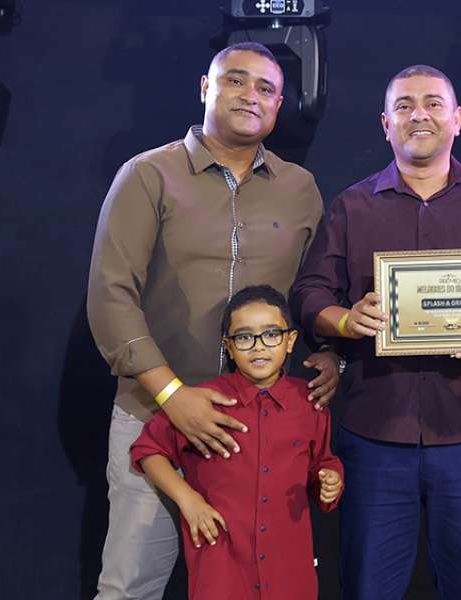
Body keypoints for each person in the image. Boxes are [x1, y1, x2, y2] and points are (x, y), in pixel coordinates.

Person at [87, 42, 340, 600]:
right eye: (236, 80)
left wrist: (328, 353)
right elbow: (110, 297)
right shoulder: (148, 174)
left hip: (260, 433)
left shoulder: (300, 188)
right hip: (154, 418)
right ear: (206, 87)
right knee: (129, 588)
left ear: (279, 105)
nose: (251, 95)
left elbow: (312, 291)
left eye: (266, 88)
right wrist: (173, 395)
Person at [289, 64, 461, 599]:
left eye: (432, 103)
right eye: (404, 105)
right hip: (375, 431)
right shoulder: (352, 205)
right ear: (386, 124)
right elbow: (310, 293)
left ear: (457, 119)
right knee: (367, 588)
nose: (418, 114)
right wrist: (346, 320)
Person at [130, 285, 343, 600]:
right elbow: (148, 450)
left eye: (271, 334)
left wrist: (330, 481)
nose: (258, 347)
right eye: (244, 337)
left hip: (288, 568)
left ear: (290, 341)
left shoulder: (309, 403)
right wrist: (188, 501)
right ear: (228, 347)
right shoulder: (204, 402)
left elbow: (322, 464)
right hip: (221, 565)